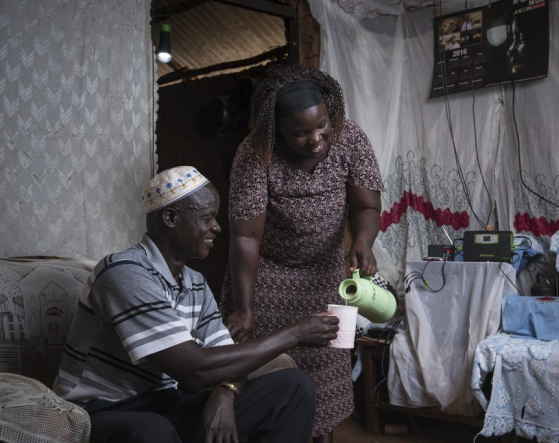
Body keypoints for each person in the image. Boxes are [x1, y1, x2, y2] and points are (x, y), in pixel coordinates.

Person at [54, 166, 340, 443]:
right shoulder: (123, 273)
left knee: (293, 387)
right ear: (170, 218)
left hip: (167, 404)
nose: (216, 228)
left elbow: (229, 361)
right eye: (207, 218)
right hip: (101, 411)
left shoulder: (195, 284)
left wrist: (225, 392)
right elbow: (194, 371)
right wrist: (295, 334)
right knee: (153, 429)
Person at [220, 64, 383, 443]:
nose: (316, 139)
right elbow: (245, 236)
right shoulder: (255, 153)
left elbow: (366, 207)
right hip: (265, 279)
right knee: (267, 376)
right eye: (301, 132)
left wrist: (362, 241)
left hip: (325, 279)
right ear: (276, 129)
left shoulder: (349, 137)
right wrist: (244, 307)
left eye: (321, 126)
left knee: (324, 381)